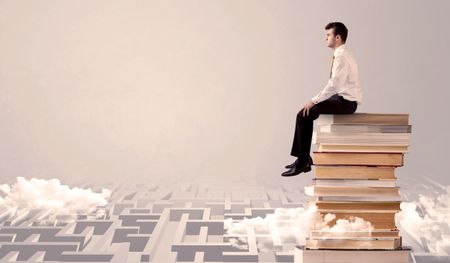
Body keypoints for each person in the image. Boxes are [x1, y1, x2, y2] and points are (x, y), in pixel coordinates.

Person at [281, 22, 362, 177]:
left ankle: (303, 161)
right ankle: (303, 158)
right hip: (343, 97)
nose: (325, 39)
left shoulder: (342, 57)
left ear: (337, 38)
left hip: (347, 103)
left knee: (304, 113)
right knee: (305, 112)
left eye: (328, 35)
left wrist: (313, 100)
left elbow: (334, 84)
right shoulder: (343, 54)